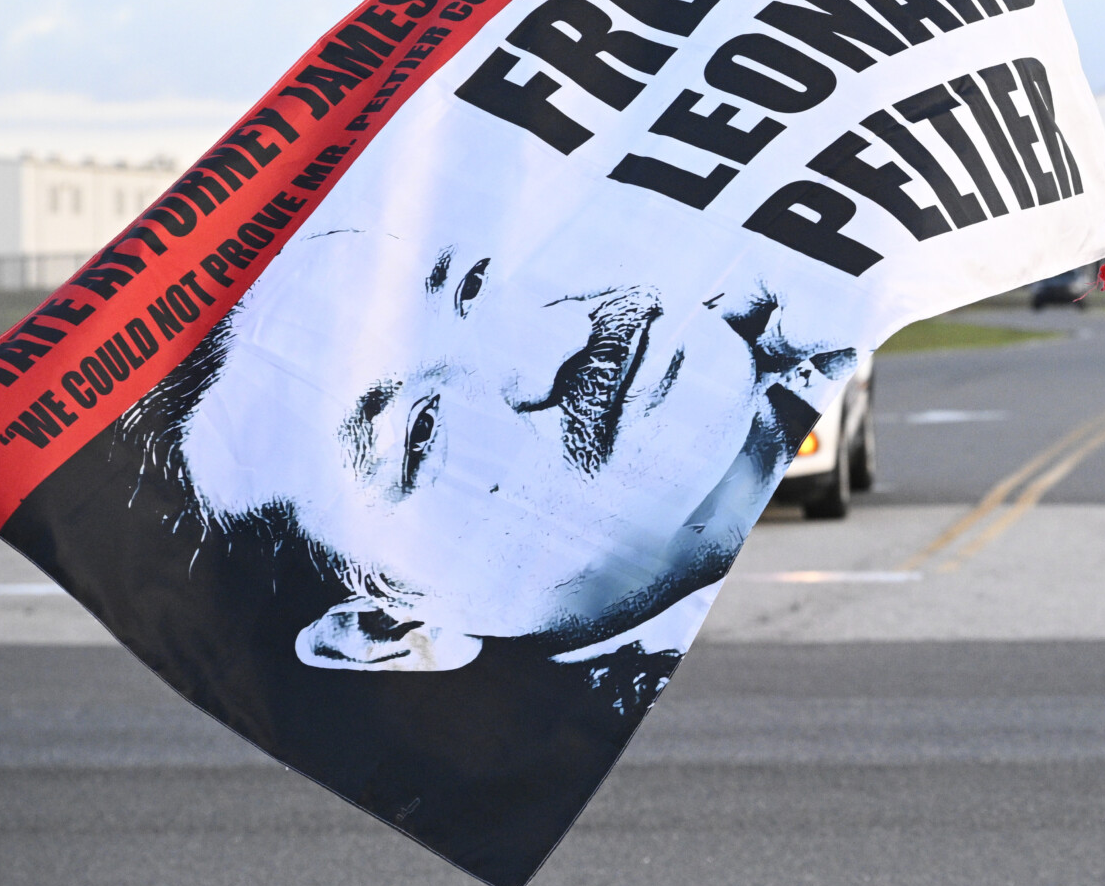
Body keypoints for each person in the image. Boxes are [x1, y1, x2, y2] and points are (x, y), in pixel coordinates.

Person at [140, 225, 861, 678]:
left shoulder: (813, 300)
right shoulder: (613, 728)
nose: (558, 339)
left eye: (471, 288)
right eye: (422, 435)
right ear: (383, 624)